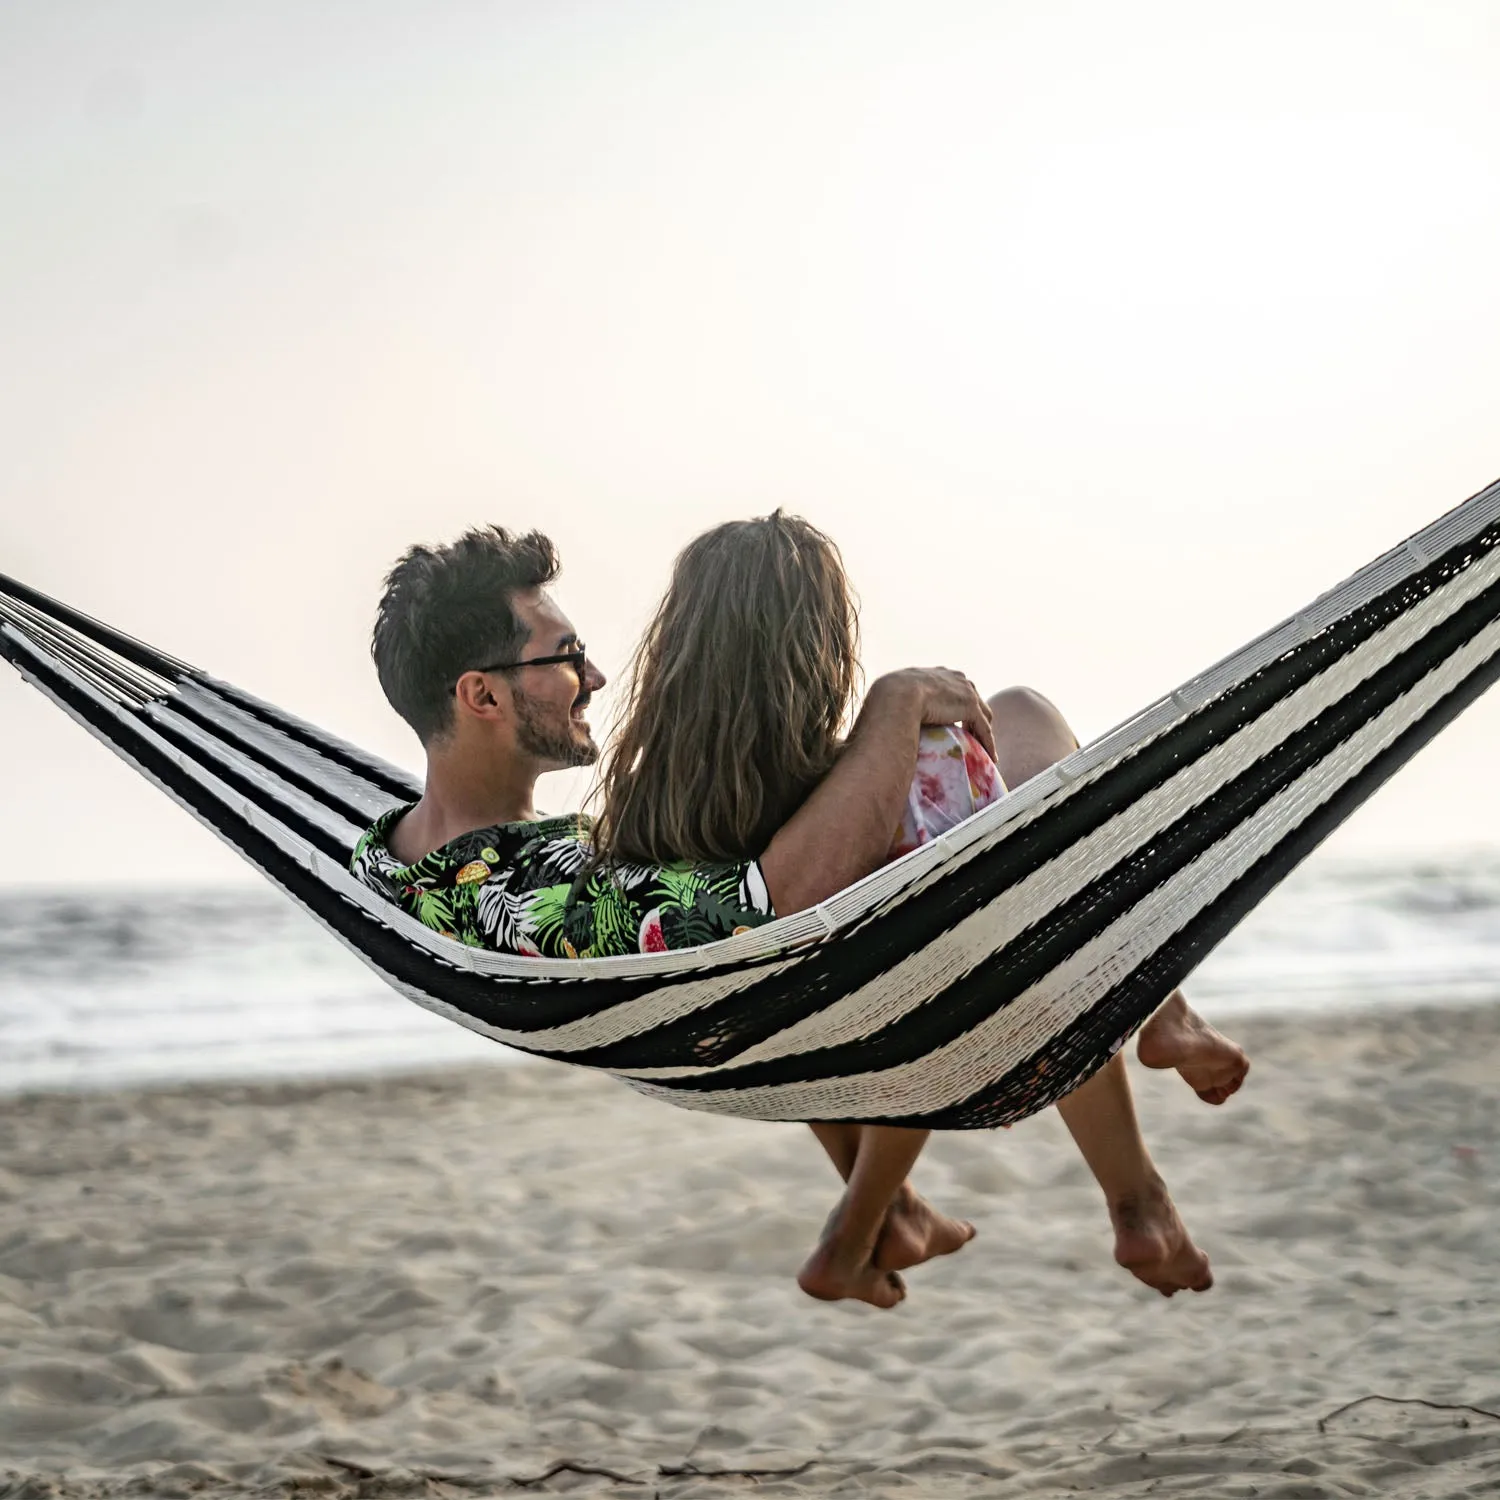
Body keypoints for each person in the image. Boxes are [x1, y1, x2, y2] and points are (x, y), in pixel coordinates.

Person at [351, 522, 1248, 1306]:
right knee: (1003, 780)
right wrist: (893, 705)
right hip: (812, 1008)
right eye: (560, 656)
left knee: (974, 761)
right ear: (481, 696)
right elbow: (782, 905)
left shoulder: (385, 854)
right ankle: (1149, 1065)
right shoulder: (555, 891)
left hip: (769, 1028)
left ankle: (901, 1208)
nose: (591, 675)